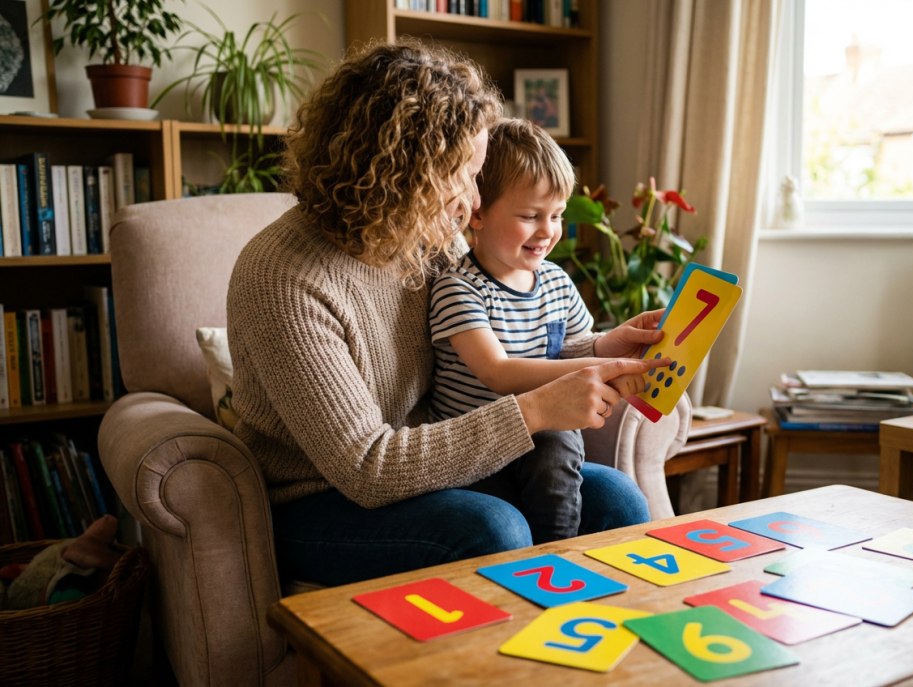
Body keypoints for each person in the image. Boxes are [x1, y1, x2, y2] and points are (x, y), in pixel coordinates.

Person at [226, 40, 669, 588]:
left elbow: (512, 335)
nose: (473, 198)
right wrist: (533, 412)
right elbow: (368, 468)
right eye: (465, 173)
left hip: (435, 469)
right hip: (320, 501)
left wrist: (601, 349)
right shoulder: (284, 279)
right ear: (405, 171)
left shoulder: (426, 239)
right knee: (494, 530)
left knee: (617, 499)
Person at [429, 119, 654, 545]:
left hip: (541, 447)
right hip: (477, 454)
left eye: (557, 215)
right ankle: (552, 557)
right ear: (477, 213)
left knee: (560, 442)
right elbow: (497, 372)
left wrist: (613, 343)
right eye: (531, 216)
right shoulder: (457, 287)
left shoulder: (555, 281)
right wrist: (608, 365)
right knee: (555, 439)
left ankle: (561, 552)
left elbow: (571, 348)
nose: (548, 231)